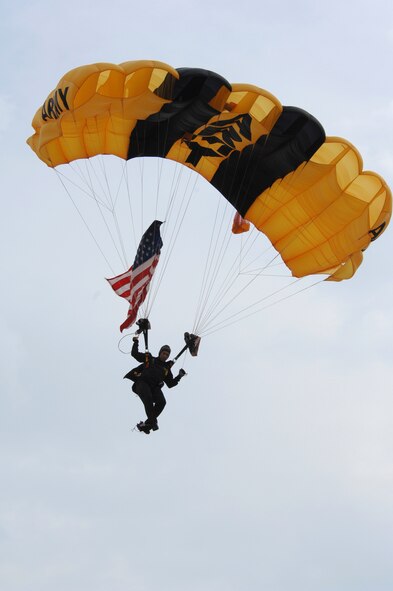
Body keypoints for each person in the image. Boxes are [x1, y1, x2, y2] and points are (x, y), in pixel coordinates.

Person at [124, 337, 186, 434]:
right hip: (142, 383)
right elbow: (134, 354)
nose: (165, 356)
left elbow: (170, 384)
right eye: (164, 353)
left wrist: (179, 376)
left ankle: (147, 424)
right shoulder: (150, 359)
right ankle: (152, 422)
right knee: (148, 398)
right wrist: (136, 341)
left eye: (167, 355)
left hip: (154, 388)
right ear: (160, 353)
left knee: (162, 402)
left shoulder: (166, 369)